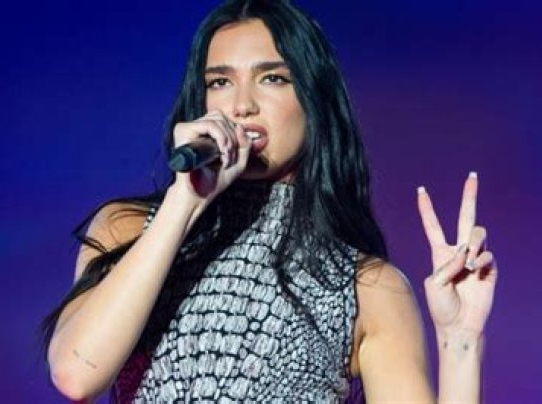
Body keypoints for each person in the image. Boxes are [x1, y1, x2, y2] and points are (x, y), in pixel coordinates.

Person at [41, 0, 498, 402]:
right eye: (220, 82)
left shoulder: (367, 286)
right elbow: (76, 374)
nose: (242, 105)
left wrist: (460, 342)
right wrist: (184, 202)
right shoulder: (127, 227)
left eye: (273, 78)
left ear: (313, 102)